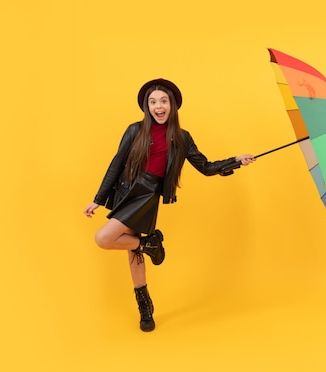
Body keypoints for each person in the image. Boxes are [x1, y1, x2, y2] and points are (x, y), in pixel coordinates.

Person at [83, 78, 255, 332]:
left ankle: (148, 246)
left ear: (172, 105)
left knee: (104, 238)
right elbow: (116, 163)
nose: (158, 106)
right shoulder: (134, 130)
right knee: (133, 249)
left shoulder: (182, 138)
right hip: (125, 190)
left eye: (163, 101)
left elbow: (205, 167)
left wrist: (236, 161)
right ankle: (145, 304)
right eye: (153, 102)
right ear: (146, 106)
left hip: (147, 194)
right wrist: (98, 199)